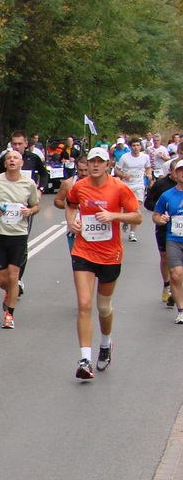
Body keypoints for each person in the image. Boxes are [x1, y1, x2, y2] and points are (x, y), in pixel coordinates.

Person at [65, 148, 143, 378]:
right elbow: (70, 205)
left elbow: (137, 215)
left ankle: (106, 344)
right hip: (84, 251)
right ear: (87, 165)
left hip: (110, 254)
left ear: (108, 164)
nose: (96, 165)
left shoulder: (119, 187)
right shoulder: (79, 186)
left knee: (102, 307)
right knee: (84, 304)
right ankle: (85, 360)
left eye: (100, 161)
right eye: (92, 162)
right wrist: (72, 222)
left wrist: (114, 216)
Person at [0, 150, 40, 329]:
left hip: (19, 233)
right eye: (9, 158)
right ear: (5, 164)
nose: (12, 160)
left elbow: (36, 206)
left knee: (14, 275)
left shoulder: (28, 184)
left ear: (21, 163)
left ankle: (9, 315)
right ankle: (9, 292)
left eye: (15, 158)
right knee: (2, 279)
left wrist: (30, 211)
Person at [0, 131, 44, 293]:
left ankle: (17, 278)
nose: (17, 147)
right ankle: (8, 275)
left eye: (20, 144)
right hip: (6, 208)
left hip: (24, 207)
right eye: (14, 144)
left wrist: (40, 189)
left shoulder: (33, 158)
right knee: (5, 243)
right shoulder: (5, 160)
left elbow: (44, 174)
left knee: (22, 243)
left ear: (26, 144)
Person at [151, 159, 183, 324]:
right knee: (176, 276)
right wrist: (161, 219)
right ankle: (181, 310)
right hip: (174, 240)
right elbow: (155, 215)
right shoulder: (167, 195)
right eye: (181, 170)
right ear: (175, 174)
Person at [143, 160, 178, 307]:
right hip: (164, 226)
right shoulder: (162, 185)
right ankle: (167, 285)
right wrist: (162, 211)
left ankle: (177, 289)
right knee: (165, 258)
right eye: (177, 170)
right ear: (171, 171)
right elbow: (148, 202)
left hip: (179, 229)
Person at [115, 139, 151, 243]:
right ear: (130, 147)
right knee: (127, 208)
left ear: (141, 146)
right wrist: (124, 175)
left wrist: (148, 174)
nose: (136, 147)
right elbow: (117, 170)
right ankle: (127, 219)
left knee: (135, 208)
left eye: (138, 145)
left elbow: (148, 168)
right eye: (134, 145)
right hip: (127, 185)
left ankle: (132, 233)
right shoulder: (124, 157)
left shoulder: (145, 157)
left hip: (139, 185)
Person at [55, 157, 89, 251]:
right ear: (76, 168)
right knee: (76, 261)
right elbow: (57, 201)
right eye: (81, 170)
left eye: (86, 170)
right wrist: (69, 205)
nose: (84, 173)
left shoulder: (97, 183)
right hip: (74, 230)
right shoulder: (68, 183)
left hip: (93, 230)